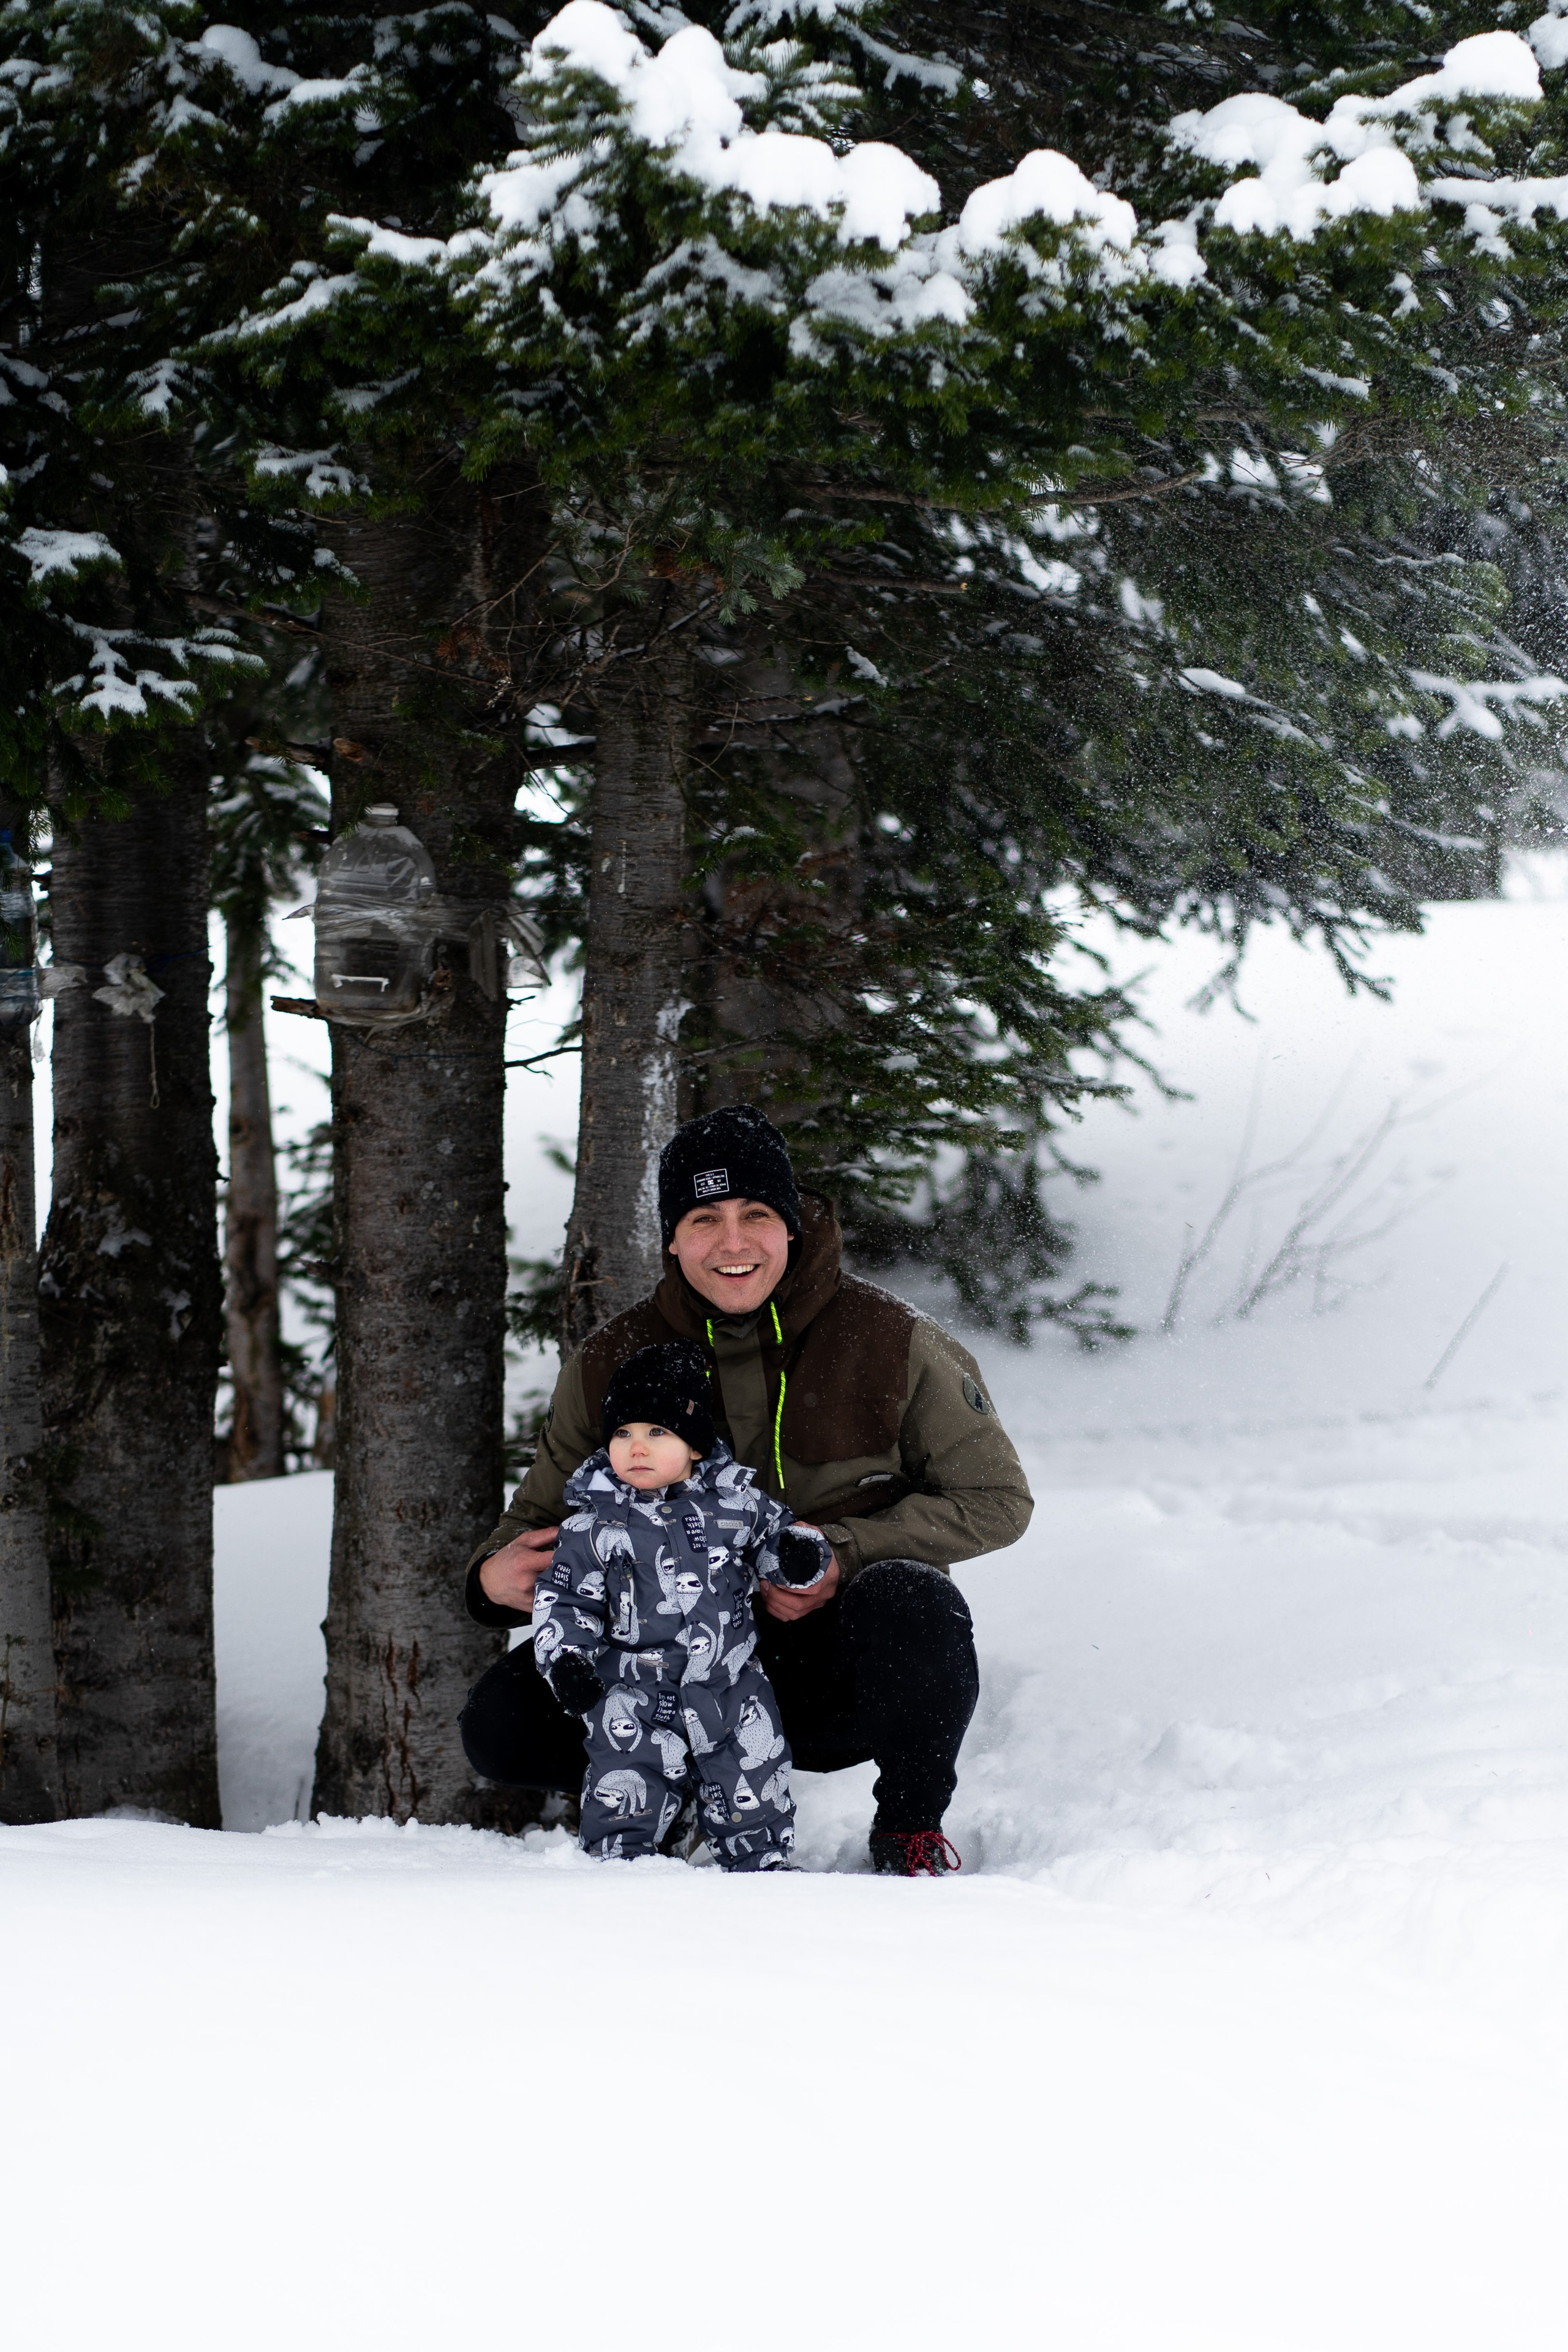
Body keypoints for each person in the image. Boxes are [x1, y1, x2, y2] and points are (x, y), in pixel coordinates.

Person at [459, 1102, 1035, 1874]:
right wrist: (490, 1578)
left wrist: (841, 1551)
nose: (733, 1243)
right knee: (500, 1726)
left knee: (916, 1604)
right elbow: (536, 1517)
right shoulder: (610, 1359)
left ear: (791, 1225)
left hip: (829, 1669)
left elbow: (997, 1499)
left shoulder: (892, 1339)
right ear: (671, 1237)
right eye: (704, 1219)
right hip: (661, 1661)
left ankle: (908, 1827)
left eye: (756, 1215)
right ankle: (672, 1792)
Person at [537, 1340, 833, 1870]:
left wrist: (797, 1555)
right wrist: (567, 1660)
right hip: (631, 1690)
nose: (637, 1448)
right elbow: (564, 1600)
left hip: (729, 1683)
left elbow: (777, 1540)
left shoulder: (735, 1504)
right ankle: (621, 1864)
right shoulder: (592, 1526)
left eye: (657, 1432)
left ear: (695, 1447)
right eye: (623, 1434)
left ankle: (761, 1862)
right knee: (627, 1782)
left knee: (751, 1775)